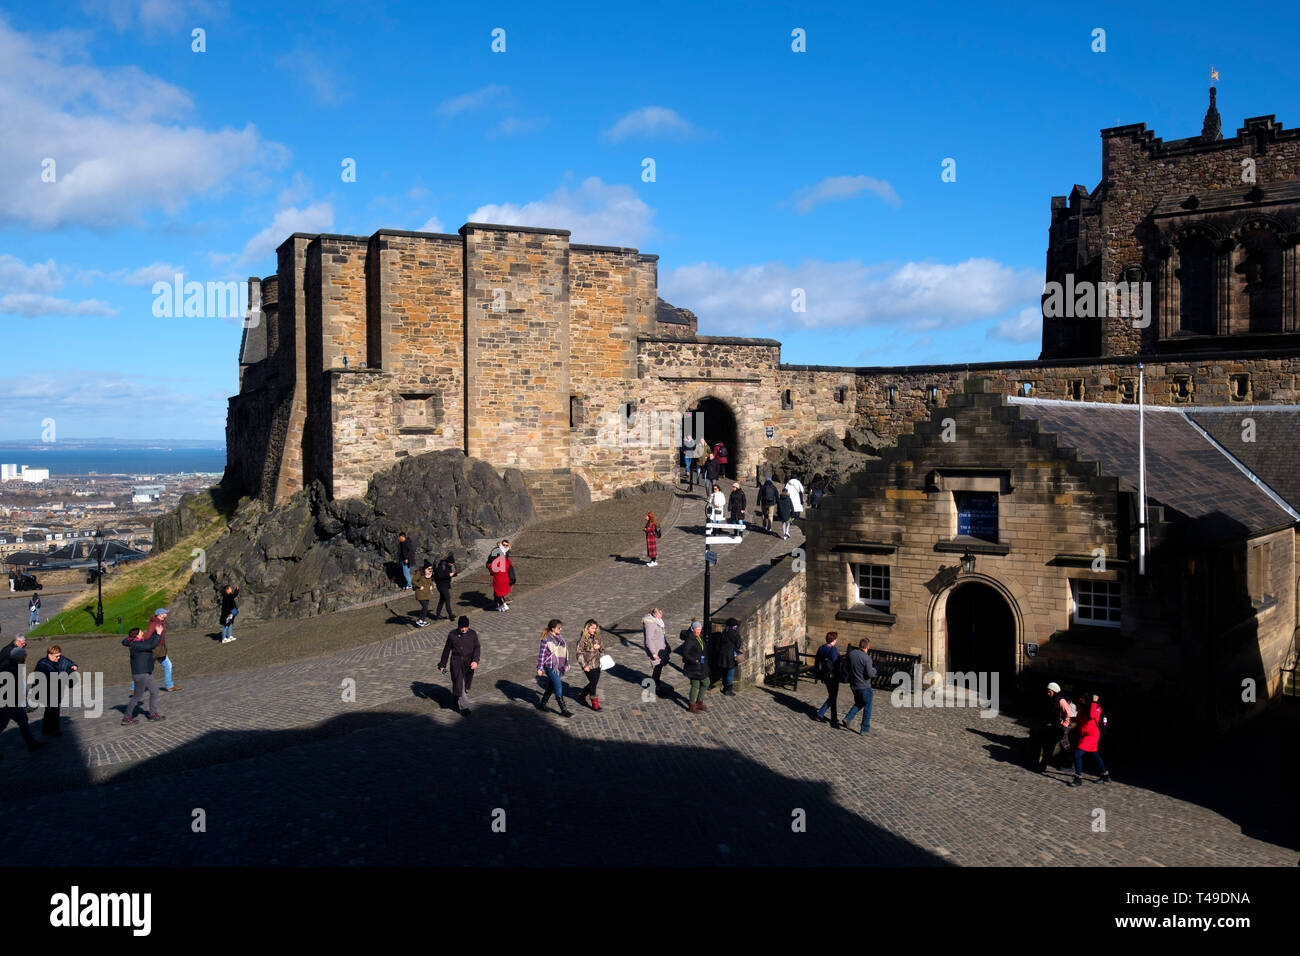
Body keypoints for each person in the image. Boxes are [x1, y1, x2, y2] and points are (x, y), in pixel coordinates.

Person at [0, 634, 42, 752]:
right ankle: (31, 742)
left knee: (23, 720)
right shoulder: (6, 665)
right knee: (2, 724)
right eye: (23, 657)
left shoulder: (13, 665)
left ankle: (31, 743)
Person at [122, 626, 165, 725]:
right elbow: (151, 645)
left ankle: (153, 714)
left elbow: (149, 642)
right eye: (141, 632)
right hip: (141, 674)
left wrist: (155, 632)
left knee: (154, 691)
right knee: (137, 696)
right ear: (137, 635)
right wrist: (158, 634)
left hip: (146, 672)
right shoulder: (136, 645)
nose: (143, 633)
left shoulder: (137, 642)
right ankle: (126, 718)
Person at [438, 616, 480, 716]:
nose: (464, 629)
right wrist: (442, 664)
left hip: (469, 664)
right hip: (456, 663)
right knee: (459, 684)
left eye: (466, 627)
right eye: (462, 627)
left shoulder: (472, 634)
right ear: (458, 626)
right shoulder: (452, 635)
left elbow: (477, 648)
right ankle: (465, 707)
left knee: (464, 686)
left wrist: (475, 661)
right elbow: (446, 650)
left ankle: (455, 701)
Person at [130, 609, 178, 695]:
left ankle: (170, 686)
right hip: (154, 650)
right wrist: (149, 646)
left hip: (160, 649)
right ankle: (133, 688)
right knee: (146, 669)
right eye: (165, 613)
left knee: (167, 665)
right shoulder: (154, 624)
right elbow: (147, 636)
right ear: (160, 614)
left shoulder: (160, 622)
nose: (166, 614)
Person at [33, 644, 77, 736]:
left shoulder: (60, 658)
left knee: (50, 710)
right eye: (56, 656)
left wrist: (73, 666)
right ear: (50, 655)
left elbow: (69, 662)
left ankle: (47, 730)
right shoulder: (43, 664)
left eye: (59, 655)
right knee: (53, 710)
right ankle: (54, 730)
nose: (58, 658)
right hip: (46, 690)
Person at [1070, 694, 1111, 786]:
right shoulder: (1082, 708)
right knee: (1095, 755)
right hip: (1084, 735)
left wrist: (1094, 702)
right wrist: (1067, 718)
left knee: (1077, 755)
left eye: (1082, 701)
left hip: (1092, 736)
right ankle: (1105, 775)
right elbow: (1078, 719)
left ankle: (1078, 778)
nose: (1079, 703)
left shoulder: (1096, 707)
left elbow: (1092, 715)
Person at [535, 619, 572, 717]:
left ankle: (542, 704)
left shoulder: (560, 637)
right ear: (553, 628)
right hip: (550, 666)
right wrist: (539, 668)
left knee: (552, 685)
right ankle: (564, 710)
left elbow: (564, 651)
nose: (561, 629)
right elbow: (541, 654)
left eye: (560, 627)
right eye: (559, 628)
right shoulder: (546, 639)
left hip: (558, 666)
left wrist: (566, 663)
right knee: (558, 686)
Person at [1034, 682, 1073, 772]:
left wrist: (1064, 724)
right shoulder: (1051, 699)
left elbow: (1069, 713)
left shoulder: (1061, 701)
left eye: (1049, 692)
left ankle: (1068, 764)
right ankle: (1043, 765)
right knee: (1048, 746)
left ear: (1054, 691)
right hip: (1052, 726)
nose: (1048, 694)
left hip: (1060, 727)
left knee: (1063, 746)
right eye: (1047, 691)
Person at [842, 637, 877, 735]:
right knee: (868, 707)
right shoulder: (867, 658)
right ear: (868, 647)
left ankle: (848, 718)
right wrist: (875, 671)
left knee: (859, 703)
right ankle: (864, 729)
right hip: (864, 686)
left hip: (854, 685)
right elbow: (870, 674)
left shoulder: (851, 654)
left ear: (859, 645)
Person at [680, 619, 709, 714]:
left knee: (706, 682)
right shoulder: (689, 640)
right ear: (692, 629)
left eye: (699, 630)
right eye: (697, 630)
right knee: (696, 684)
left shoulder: (698, 637)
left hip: (702, 665)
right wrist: (694, 660)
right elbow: (685, 653)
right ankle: (692, 705)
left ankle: (699, 702)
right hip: (694, 667)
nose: (698, 631)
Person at [814, 632, 842, 727]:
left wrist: (818, 673)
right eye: (836, 639)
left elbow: (817, 661)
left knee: (832, 696)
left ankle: (834, 718)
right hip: (833, 676)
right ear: (834, 640)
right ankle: (820, 714)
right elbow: (836, 663)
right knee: (833, 696)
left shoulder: (821, 648)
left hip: (824, 675)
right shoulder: (833, 650)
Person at [576, 619, 605, 711]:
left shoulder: (598, 638)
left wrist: (599, 647)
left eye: (595, 628)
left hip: (597, 664)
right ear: (587, 628)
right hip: (588, 665)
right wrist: (584, 665)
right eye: (592, 628)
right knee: (593, 683)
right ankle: (595, 704)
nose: (594, 630)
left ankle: (582, 696)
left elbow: (603, 650)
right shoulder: (583, 640)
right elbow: (579, 653)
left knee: (594, 682)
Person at [710, 617, 742, 696]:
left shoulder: (724, 632)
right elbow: (738, 645)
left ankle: (724, 687)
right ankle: (728, 690)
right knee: (730, 672)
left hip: (722, 655)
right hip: (730, 656)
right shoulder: (735, 633)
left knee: (724, 671)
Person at [642, 607, 670, 695]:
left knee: (659, 668)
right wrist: (653, 652)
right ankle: (655, 688)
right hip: (655, 650)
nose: (661, 616)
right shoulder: (650, 624)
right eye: (659, 614)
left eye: (661, 614)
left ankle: (656, 685)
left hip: (660, 648)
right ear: (654, 614)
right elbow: (649, 640)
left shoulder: (657, 622)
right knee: (657, 669)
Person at [487, 540, 514, 612]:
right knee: (499, 591)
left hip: (501, 574)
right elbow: (492, 562)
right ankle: (501, 604)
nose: (505, 546)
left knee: (499, 591)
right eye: (504, 545)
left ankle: (501, 604)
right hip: (501, 573)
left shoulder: (505, 553)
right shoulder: (496, 552)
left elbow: (495, 567)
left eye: (506, 545)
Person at [433, 554, 457, 621]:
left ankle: (438, 615)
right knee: (447, 599)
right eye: (451, 563)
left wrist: (454, 574)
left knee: (442, 600)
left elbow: (447, 575)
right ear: (448, 562)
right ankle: (450, 615)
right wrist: (449, 575)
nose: (452, 564)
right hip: (441, 586)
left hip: (445, 585)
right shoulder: (441, 567)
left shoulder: (448, 566)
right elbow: (440, 576)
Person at [413, 562, 436, 627]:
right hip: (420, 593)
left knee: (425, 608)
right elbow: (413, 581)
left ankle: (422, 620)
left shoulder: (429, 574)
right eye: (429, 568)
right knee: (425, 607)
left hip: (427, 594)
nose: (430, 570)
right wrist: (420, 586)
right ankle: (420, 620)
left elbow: (430, 582)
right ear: (425, 568)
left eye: (431, 568)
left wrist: (431, 585)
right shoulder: (419, 573)